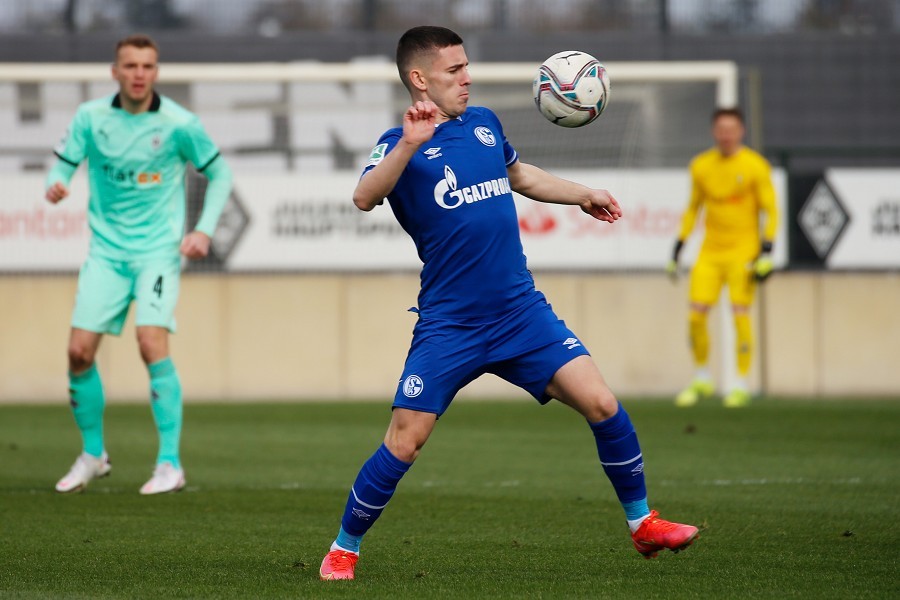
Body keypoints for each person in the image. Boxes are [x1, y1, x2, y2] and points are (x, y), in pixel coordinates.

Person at [318, 25, 698, 581]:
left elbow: (519, 175)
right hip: (451, 325)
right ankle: (343, 548)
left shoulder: (484, 123)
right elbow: (364, 196)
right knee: (405, 441)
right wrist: (407, 144)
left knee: (603, 404)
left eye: (467, 66)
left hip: (521, 313)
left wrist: (583, 194)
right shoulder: (398, 143)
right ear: (420, 78)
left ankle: (643, 524)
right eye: (454, 70)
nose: (467, 77)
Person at [46, 34, 233, 494]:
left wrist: (204, 229)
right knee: (77, 353)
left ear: (156, 72)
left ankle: (169, 463)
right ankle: (93, 454)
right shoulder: (91, 118)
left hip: (157, 254)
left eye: (147, 66)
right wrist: (57, 184)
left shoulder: (178, 123)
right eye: (129, 65)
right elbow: (63, 164)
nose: (138, 74)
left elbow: (220, 173)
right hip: (105, 255)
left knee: (151, 342)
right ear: (115, 71)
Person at [666, 107, 778, 409]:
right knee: (695, 314)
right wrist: (679, 246)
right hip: (710, 252)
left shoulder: (755, 166)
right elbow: (693, 208)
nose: (726, 135)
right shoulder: (701, 166)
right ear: (714, 132)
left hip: (744, 252)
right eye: (721, 129)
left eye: (731, 129)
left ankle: (740, 384)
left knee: (740, 313)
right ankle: (702, 377)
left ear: (741, 132)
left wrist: (767, 251)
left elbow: (771, 209)